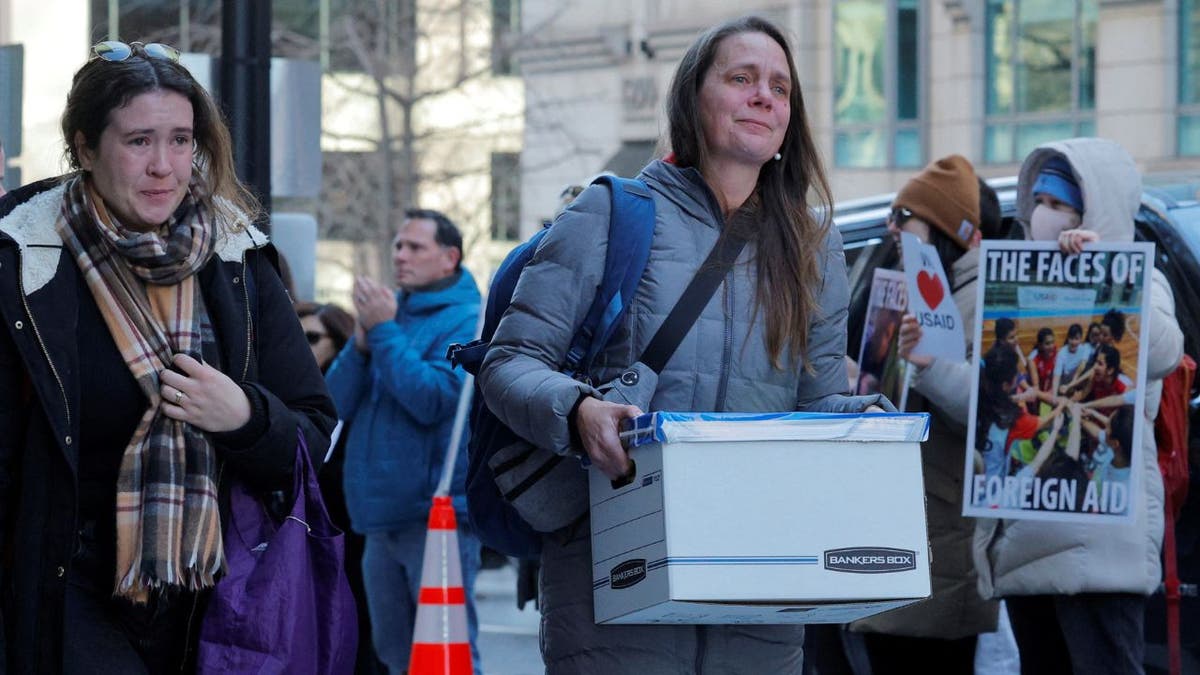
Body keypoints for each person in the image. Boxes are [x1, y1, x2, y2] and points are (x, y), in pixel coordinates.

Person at [478, 15, 891, 674]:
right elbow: (507, 364)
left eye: (780, 88)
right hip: (616, 588)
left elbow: (817, 407)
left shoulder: (816, 250)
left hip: (758, 597)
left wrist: (866, 423)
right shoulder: (612, 214)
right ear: (692, 101)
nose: (764, 96)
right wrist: (579, 411)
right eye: (742, 78)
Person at [0, 41, 337, 674]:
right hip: (66, 592)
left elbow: (316, 434)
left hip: (216, 600)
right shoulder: (22, 258)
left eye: (181, 140)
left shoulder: (237, 257)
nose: (164, 166)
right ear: (86, 146)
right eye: (139, 141)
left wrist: (245, 417)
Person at [974, 137, 1184, 674]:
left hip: (1099, 548)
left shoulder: (1142, 281)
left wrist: (1109, 273)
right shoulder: (1014, 287)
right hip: (1026, 536)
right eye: (1039, 203)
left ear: (1095, 210)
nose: (1044, 216)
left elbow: (1163, 351)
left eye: (1060, 205)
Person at [853, 154, 999, 672]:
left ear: (939, 229)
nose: (894, 229)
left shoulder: (982, 296)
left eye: (906, 217)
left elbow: (989, 411)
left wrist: (927, 366)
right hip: (910, 522)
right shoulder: (917, 288)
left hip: (944, 528)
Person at [325, 209, 482, 674]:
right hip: (378, 517)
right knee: (395, 656)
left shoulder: (470, 320)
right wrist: (359, 345)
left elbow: (434, 400)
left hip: (435, 517)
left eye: (415, 247)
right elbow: (333, 404)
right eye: (397, 245)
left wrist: (387, 332)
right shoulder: (388, 316)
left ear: (449, 257)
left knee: (446, 656)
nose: (400, 255)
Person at [298, 301, 384, 675]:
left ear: (339, 340)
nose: (302, 347)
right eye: (296, 337)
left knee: (364, 632)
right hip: (310, 531)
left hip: (354, 529)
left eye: (312, 338)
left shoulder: (356, 381)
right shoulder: (288, 386)